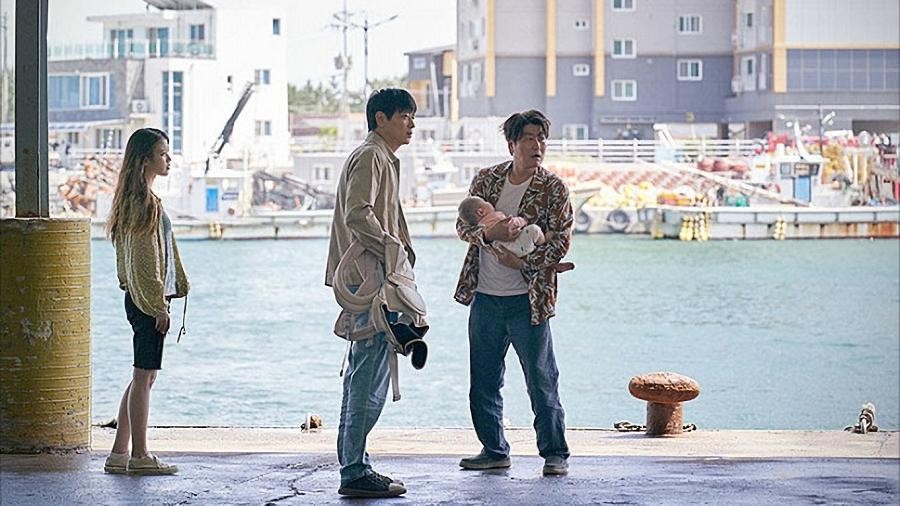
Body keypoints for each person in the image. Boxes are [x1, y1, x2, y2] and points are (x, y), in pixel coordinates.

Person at [454, 110, 573, 476]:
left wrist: (521, 262)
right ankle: (493, 450)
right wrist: (490, 234)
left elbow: (561, 241)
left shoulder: (554, 189)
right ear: (512, 144)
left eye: (542, 138)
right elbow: (462, 226)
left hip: (529, 300)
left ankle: (555, 454)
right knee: (483, 382)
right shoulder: (486, 179)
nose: (537, 145)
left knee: (541, 380)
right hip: (485, 297)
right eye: (529, 138)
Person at [324, 88, 418, 498]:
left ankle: (353, 464)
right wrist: (393, 251)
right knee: (368, 374)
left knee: (362, 371)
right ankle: (355, 471)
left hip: (368, 277)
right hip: (370, 279)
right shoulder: (371, 157)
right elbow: (357, 214)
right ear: (381, 118)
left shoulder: (379, 157)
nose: (411, 124)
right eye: (405, 116)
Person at [104, 128, 189, 476]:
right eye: (162, 154)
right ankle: (139, 455)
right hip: (147, 302)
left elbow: (128, 264)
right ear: (144, 161)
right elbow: (144, 261)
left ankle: (118, 453)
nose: (169, 159)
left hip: (137, 298)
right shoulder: (144, 204)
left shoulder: (131, 201)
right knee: (144, 377)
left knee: (144, 376)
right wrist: (157, 306)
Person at [459, 195, 575, 271]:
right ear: (481, 211)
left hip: (504, 253)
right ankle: (544, 239)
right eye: (485, 202)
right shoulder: (495, 217)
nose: (489, 202)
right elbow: (512, 224)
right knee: (534, 230)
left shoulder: (480, 226)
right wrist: (522, 221)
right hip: (516, 246)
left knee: (529, 252)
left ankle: (552, 266)